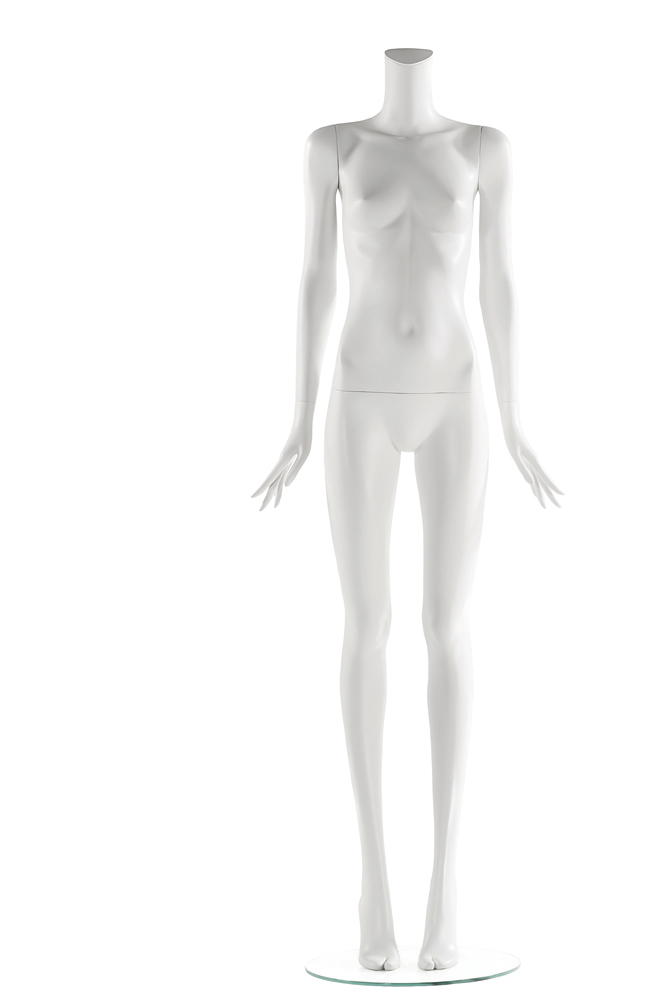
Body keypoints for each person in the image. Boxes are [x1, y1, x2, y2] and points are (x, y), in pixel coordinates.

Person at [253, 48, 560, 972]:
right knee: (367, 627)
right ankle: (374, 890)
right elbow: (312, 281)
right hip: (358, 398)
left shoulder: (486, 149)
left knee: (448, 627)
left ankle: (445, 890)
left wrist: (518, 418)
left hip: (457, 395)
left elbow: (501, 284)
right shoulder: (332, 147)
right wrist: (297, 416)